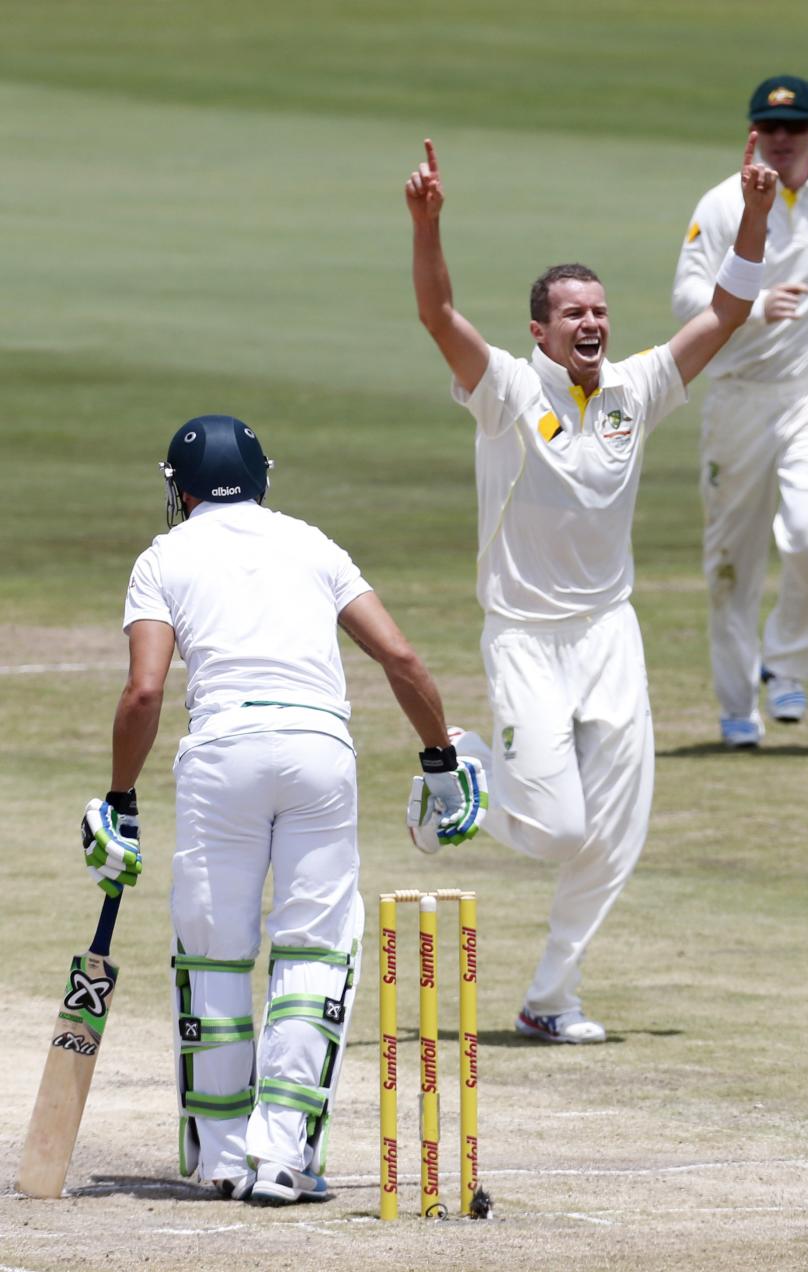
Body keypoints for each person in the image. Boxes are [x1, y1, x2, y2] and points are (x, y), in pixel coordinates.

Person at [404, 135, 776, 1041]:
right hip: (525, 635)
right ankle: (458, 779)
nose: (591, 322)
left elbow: (727, 310)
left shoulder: (636, 389)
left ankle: (551, 997)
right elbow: (438, 312)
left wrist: (758, 215)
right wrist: (427, 225)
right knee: (562, 827)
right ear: (539, 329)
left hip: (610, 631)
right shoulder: (501, 389)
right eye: (572, 312)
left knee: (616, 832)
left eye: (600, 309)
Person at [81, 414, 484, 1205]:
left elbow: (146, 690)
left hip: (222, 754)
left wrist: (120, 800)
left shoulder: (162, 557)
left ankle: (223, 1157)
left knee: (215, 953)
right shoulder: (311, 542)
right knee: (315, 952)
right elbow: (400, 657)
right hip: (318, 753)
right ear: (264, 476)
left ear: (181, 489)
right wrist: (440, 757)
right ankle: (282, 1158)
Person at [672, 75, 808, 747]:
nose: (782, 139)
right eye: (769, 128)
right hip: (739, 395)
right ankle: (738, 711)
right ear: (752, 133)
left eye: (795, 129)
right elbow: (685, 300)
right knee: (731, 564)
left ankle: (788, 662)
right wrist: (757, 308)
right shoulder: (722, 203)